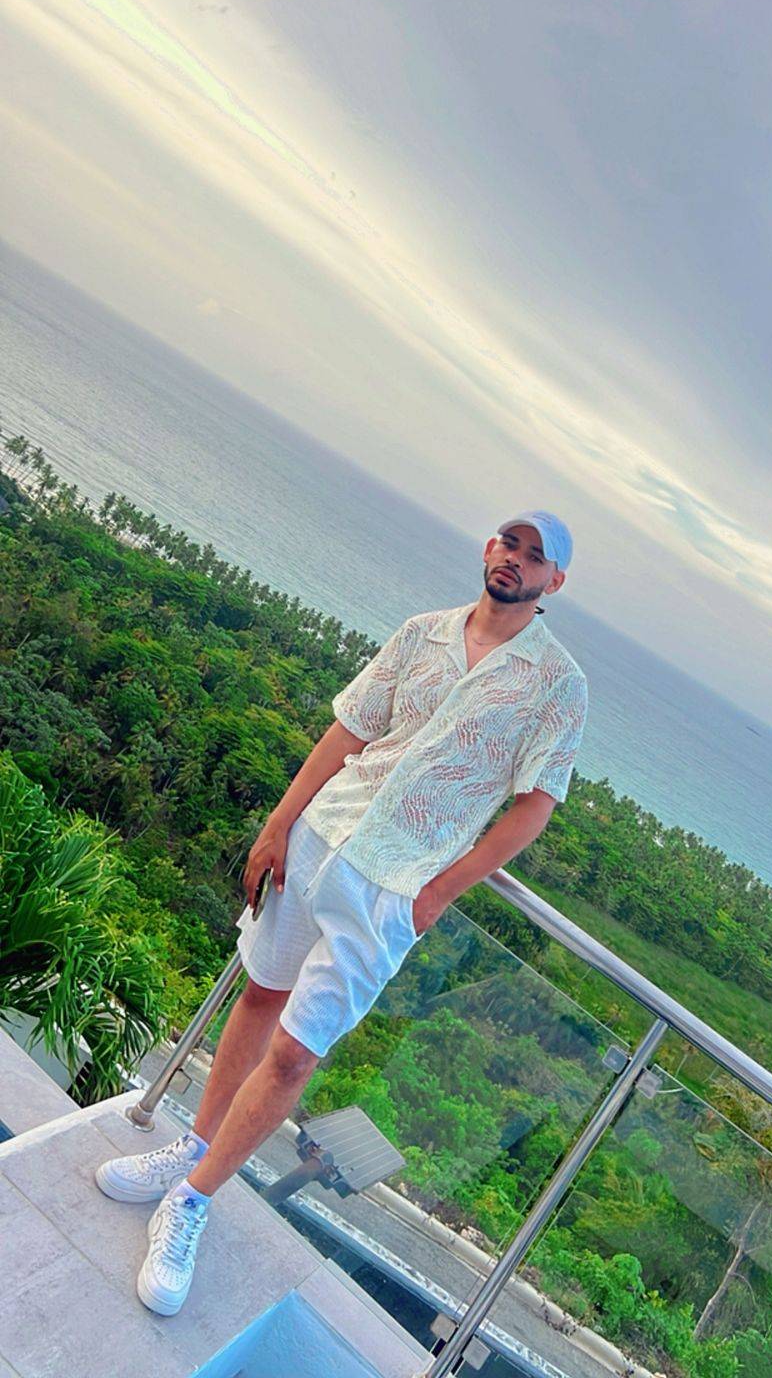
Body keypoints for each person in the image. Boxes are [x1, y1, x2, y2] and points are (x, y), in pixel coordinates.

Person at [96, 512, 588, 1316]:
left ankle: (193, 1198)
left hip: (394, 885)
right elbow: (349, 730)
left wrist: (439, 891)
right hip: (323, 834)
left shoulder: (557, 685)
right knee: (259, 993)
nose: (516, 560)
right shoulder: (423, 633)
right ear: (489, 548)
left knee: (296, 1054)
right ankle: (192, 1145)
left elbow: (534, 807)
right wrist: (278, 823)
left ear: (553, 582)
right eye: (509, 542)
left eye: (536, 557)